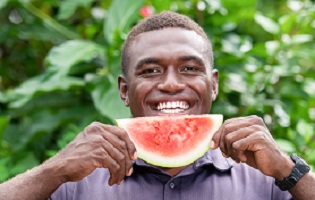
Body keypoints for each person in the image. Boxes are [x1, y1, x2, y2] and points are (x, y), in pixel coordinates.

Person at [0, 11, 314, 200]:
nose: (171, 84)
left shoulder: (264, 175)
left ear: (214, 83)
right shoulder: (78, 180)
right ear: (124, 90)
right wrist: (54, 170)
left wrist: (290, 170)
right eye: (150, 71)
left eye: (190, 68)